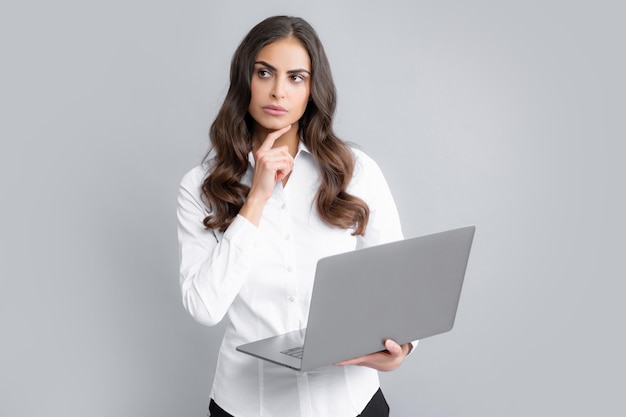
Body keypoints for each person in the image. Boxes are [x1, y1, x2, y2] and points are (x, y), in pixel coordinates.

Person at [177, 15, 414, 417]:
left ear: (312, 91)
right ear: (244, 82)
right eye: (264, 73)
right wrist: (256, 199)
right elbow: (204, 307)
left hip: (349, 402)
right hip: (249, 405)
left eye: (296, 77)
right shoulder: (200, 187)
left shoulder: (357, 171)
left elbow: (401, 288)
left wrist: (401, 349)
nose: (277, 91)